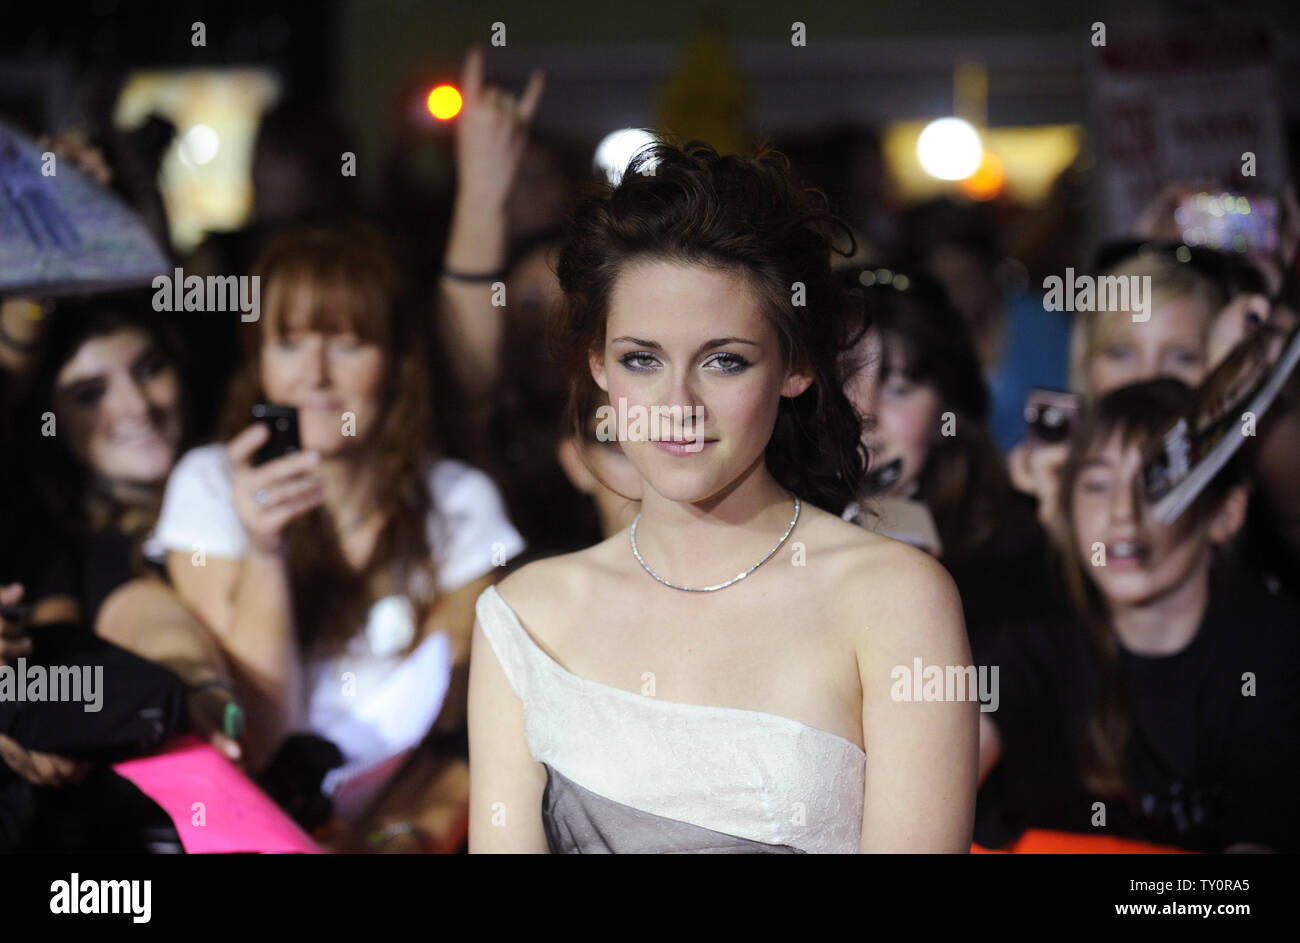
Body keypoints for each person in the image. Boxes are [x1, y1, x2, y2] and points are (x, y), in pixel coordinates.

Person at [468, 141, 977, 854]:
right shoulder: (526, 617)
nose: (677, 404)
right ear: (599, 368)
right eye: (641, 360)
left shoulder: (895, 598)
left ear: (796, 364)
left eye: (723, 360)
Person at [152, 216, 524, 852]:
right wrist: (265, 550)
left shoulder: (458, 503)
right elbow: (255, 733)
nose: (315, 377)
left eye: (348, 344)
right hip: (239, 817)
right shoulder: (210, 484)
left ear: (397, 362)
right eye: (289, 343)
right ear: (258, 357)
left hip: (392, 819)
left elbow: (451, 722)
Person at [978, 379, 1300, 852]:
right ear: (1065, 511)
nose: (1123, 514)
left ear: (1225, 514)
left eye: (1158, 482)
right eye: (1097, 485)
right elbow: (935, 775)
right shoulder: (1031, 635)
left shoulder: (1275, 652)